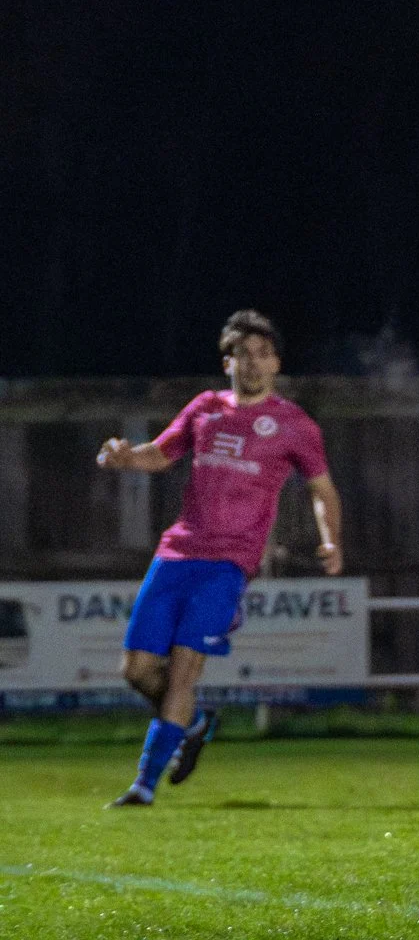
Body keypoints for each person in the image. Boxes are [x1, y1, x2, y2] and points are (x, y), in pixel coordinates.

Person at [97, 310, 343, 806]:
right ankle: (193, 724)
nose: (252, 364)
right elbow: (161, 453)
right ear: (227, 362)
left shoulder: (295, 425)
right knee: (137, 670)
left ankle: (144, 784)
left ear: (275, 363)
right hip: (176, 553)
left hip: (229, 564)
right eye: (242, 355)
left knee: (185, 670)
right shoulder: (205, 408)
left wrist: (331, 539)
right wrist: (125, 457)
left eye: (262, 354)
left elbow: (322, 490)